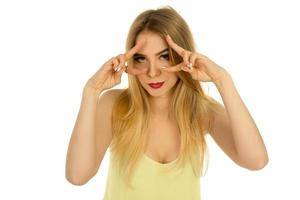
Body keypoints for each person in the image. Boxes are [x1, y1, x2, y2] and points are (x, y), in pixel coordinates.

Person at [65, 6, 269, 200]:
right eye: (141, 58)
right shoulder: (114, 105)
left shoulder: (201, 111)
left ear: (182, 54)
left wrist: (223, 80)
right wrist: (91, 91)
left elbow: (256, 161)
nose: (152, 72)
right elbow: (77, 176)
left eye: (164, 56)